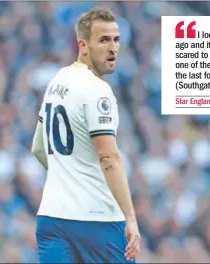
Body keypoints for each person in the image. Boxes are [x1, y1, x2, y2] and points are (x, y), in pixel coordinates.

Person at [31, 7, 140, 263]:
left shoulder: (57, 81)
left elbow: (38, 147)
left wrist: (69, 178)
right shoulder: (97, 90)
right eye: (103, 40)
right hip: (96, 220)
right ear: (83, 45)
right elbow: (108, 157)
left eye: (116, 39)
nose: (113, 47)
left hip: (51, 218)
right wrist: (131, 218)